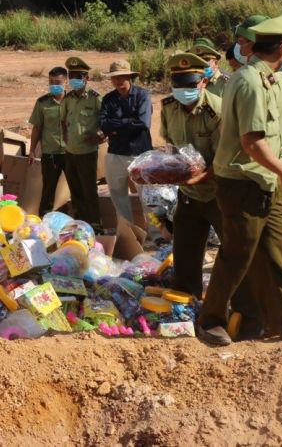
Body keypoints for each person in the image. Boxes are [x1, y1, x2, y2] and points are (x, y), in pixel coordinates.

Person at [196, 13, 282, 346]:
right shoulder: (249, 81)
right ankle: (210, 320)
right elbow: (252, 142)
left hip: (273, 181)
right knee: (238, 254)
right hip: (243, 183)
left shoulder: (281, 82)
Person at [159, 53, 261, 336]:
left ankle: (245, 317)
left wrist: (198, 176)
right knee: (185, 257)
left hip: (220, 194)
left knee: (233, 258)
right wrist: (163, 169)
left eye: (189, 83)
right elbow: (170, 145)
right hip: (189, 195)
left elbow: (224, 160)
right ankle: (188, 312)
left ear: (203, 81)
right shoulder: (169, 108)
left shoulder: (218, 112)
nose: (182, 90)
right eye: (177, 84)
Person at [99, 59, 153, 226]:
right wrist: (129, 122)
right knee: (118, 195)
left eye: (121, 77)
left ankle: (157, 234)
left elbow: (143, 123)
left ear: (130, 77)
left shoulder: (142, 96)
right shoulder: (108, 99)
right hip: (115, 153)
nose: (117, 81)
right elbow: (103, 124)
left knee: (148, 197)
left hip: (140, 154)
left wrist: (116, 125)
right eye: (114, 78)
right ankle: (127, 231)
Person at [59, 57, 104, 230]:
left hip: (87, 152)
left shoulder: (95, 99)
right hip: (70, 152)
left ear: (87, 78)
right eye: (71, 76)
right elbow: (63, 120)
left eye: (78, 76)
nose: (74, 80)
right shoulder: (68, 98)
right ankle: (80, 224)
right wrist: (66, 139)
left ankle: (95, 224)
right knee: (75, 190)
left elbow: (105, 121)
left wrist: (100, 136)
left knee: (89, 190)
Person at [28, 66, 68, 216]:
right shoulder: (42, 103)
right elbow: (37, 128)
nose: (54, 86)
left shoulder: (73, 101)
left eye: (58, 82)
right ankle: (44, 222)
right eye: (51, 82)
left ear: (66, 82)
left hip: (71, 153)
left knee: (76, 189)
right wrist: (32, 151)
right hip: (50, 154)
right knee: (48, 191)